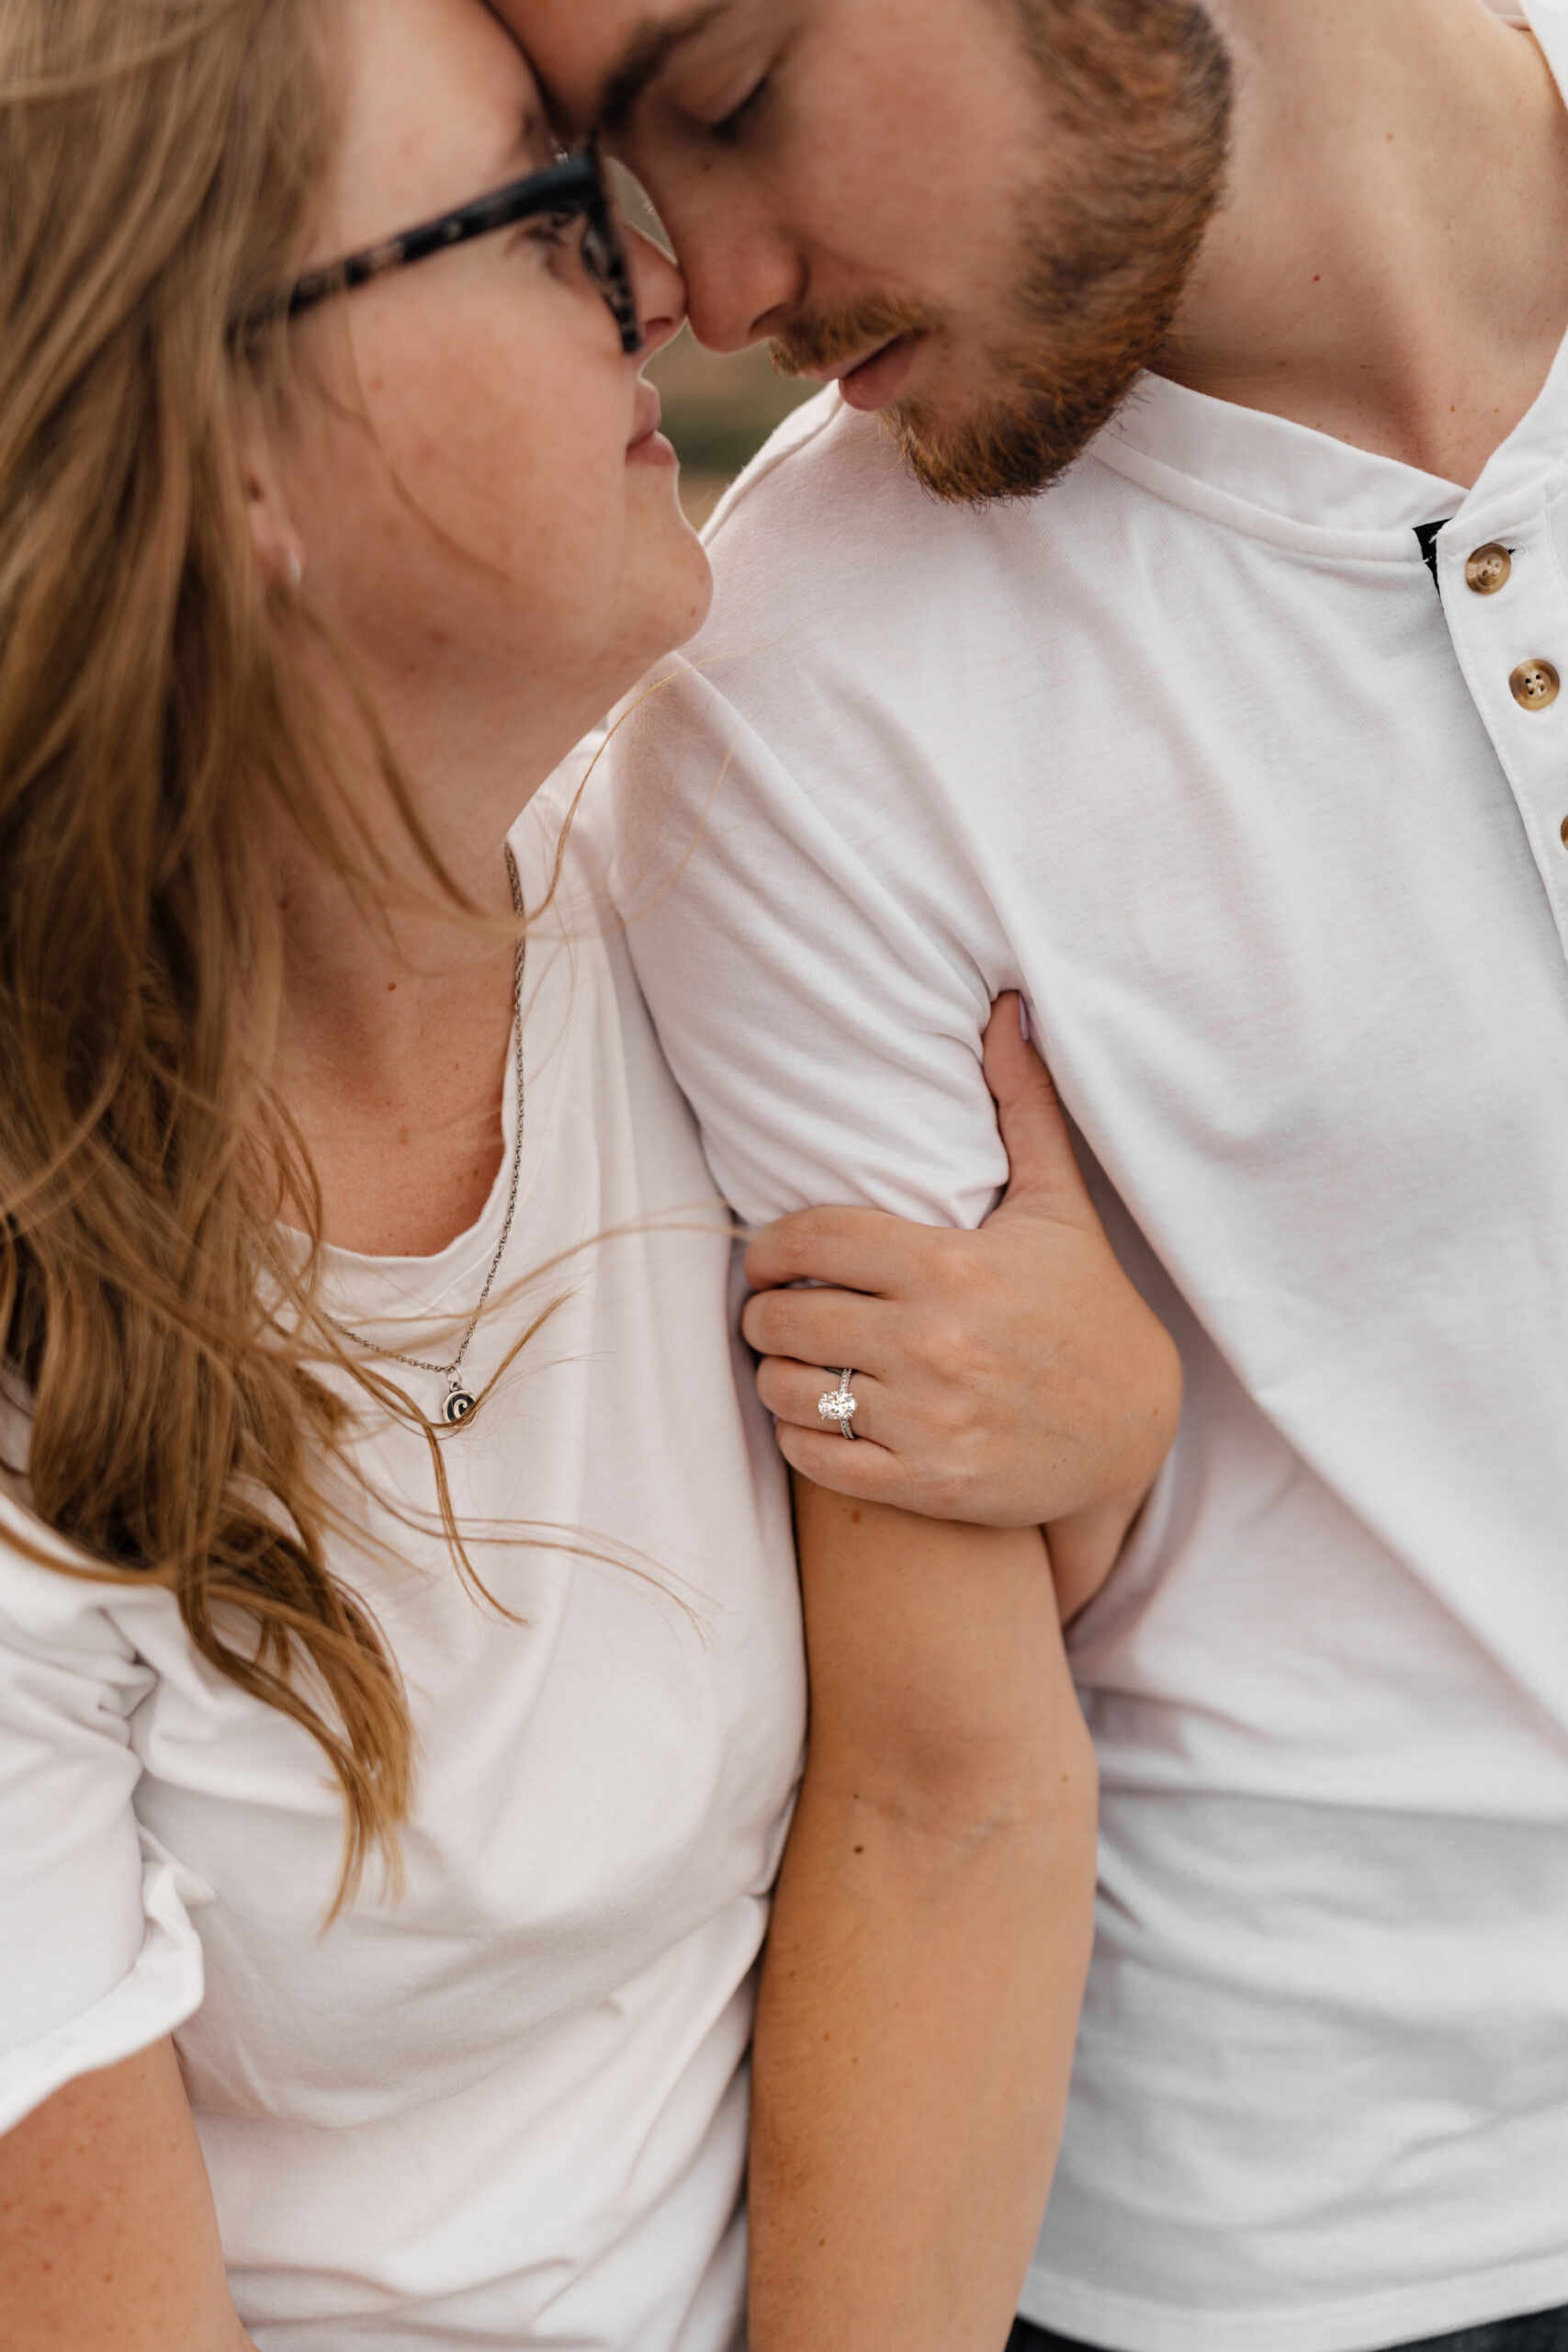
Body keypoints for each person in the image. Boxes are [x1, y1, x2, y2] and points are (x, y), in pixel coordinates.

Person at [0, 1, 1142, 2344]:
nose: (665, 283)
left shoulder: (719, 896)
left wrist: (1097, 1445)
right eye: (536, 210)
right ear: (221, 452)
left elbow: (946, 1799)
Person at [504, 1, 1568, 2348]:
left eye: (733, 96)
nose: (704, 279)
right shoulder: (783, 692)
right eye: (616, 168)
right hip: (1332, 2251)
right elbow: (936, 1774)